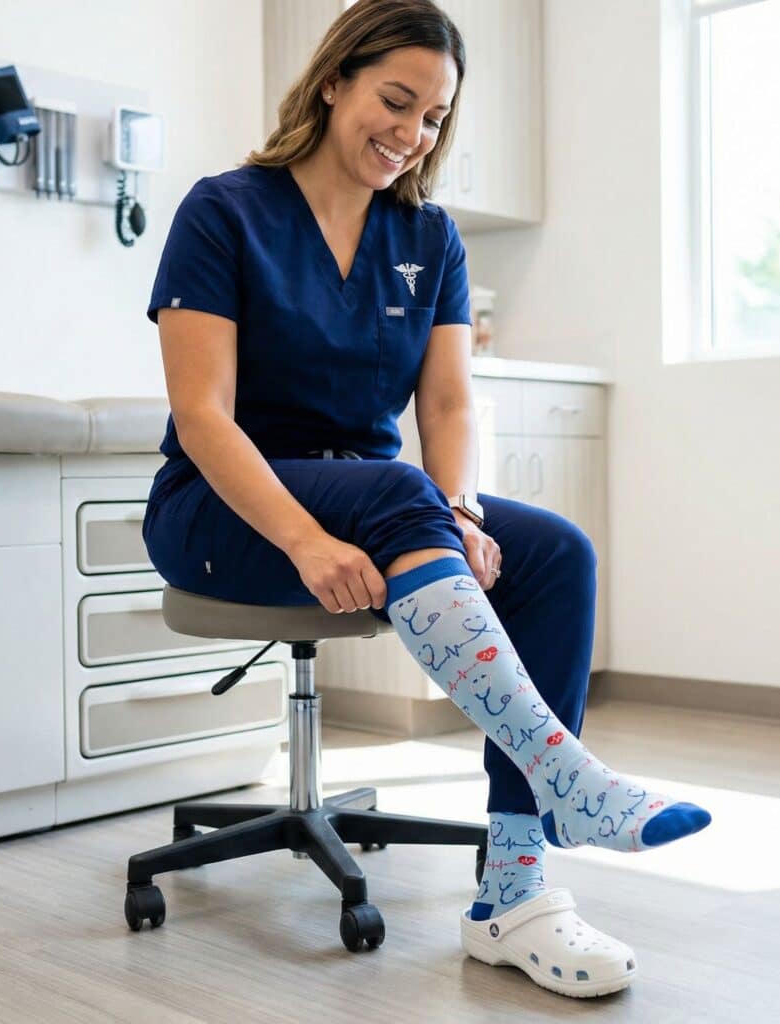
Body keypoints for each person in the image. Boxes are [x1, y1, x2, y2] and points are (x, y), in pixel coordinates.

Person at [143, 0, 710, 1000]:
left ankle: (512, 893)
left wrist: (465, 509)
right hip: (226, 508)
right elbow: (203, 417)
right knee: (401, 490)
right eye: (394, 101)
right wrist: (306, 536)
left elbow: (448, 402)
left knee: (556, 551)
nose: (410, 134)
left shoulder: (428, 234)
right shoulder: (223, 210)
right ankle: (569, 778)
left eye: (434, 117)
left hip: (379, 501)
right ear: (333, 82)